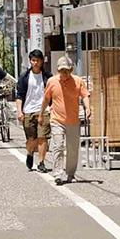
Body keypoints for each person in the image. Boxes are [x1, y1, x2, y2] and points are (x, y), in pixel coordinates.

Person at [44, 55, 92, 185]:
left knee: (72, 149)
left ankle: (70, 174)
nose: (64, 73)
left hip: (73, 120)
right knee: (58, 146)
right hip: (57, 120)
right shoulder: (52, 81)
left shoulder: (78, 81)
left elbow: (85, 95)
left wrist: (88, 108)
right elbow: (46, 98)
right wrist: (41, 113)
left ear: (71, 70)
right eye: (61, 70)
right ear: (57, 70)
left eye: (66, 70)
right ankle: (58, 174)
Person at [15, 49, 50, 172]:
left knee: (42, 137)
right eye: (33, 60)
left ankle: (41, 162)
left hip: (44, 111)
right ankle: (30, 153)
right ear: (30, 61)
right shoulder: (24, 77)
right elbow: (19, 96)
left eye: (37, 60)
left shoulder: (47, 77)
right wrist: (19, 111)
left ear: (42, 61)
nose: (35, 63)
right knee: (31, 139)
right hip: (28, 110)